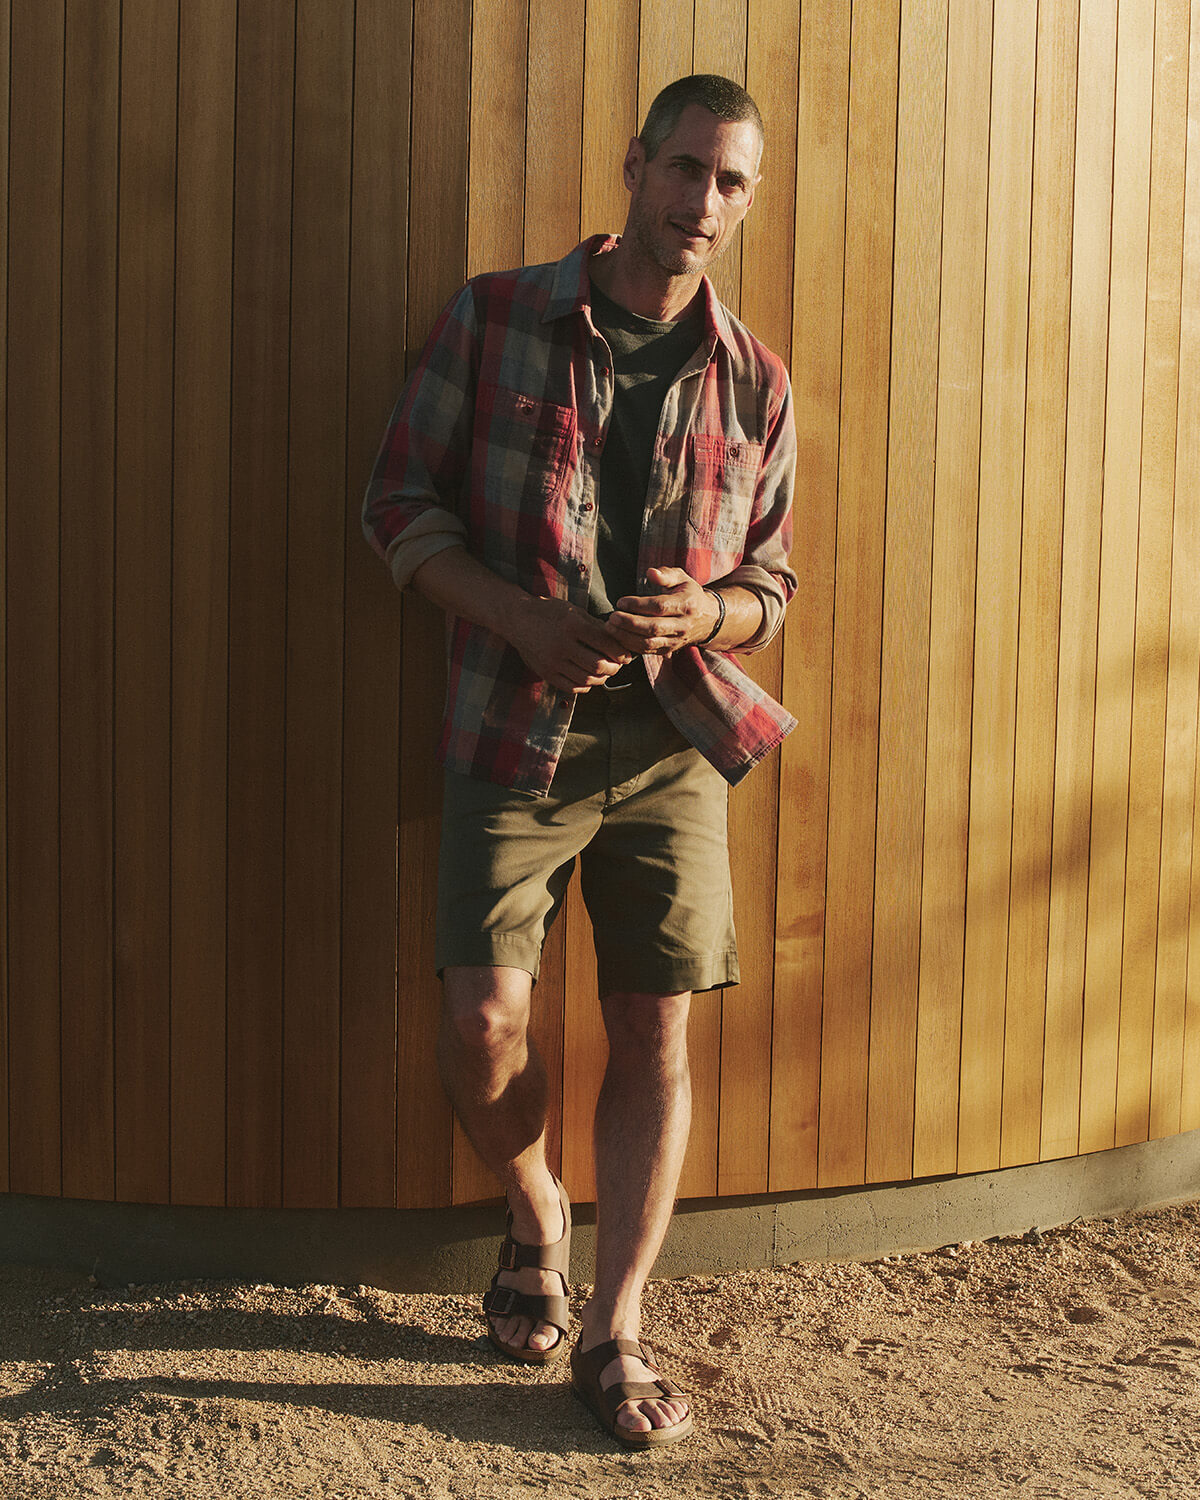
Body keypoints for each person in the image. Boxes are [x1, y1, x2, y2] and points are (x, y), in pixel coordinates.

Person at [363, 73, 797, 1449]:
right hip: (513, 721)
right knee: (484, 1019)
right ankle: (537, 1203)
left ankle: (613, 1328)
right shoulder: (496, 317)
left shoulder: (756, 379)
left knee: (658, 1023)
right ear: (635, 165)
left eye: (731, 183)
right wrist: (521, 621)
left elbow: (771, 585)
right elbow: (395, 503)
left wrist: (705, 612)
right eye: (686, 170)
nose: (704, 204)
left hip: (672, 736)